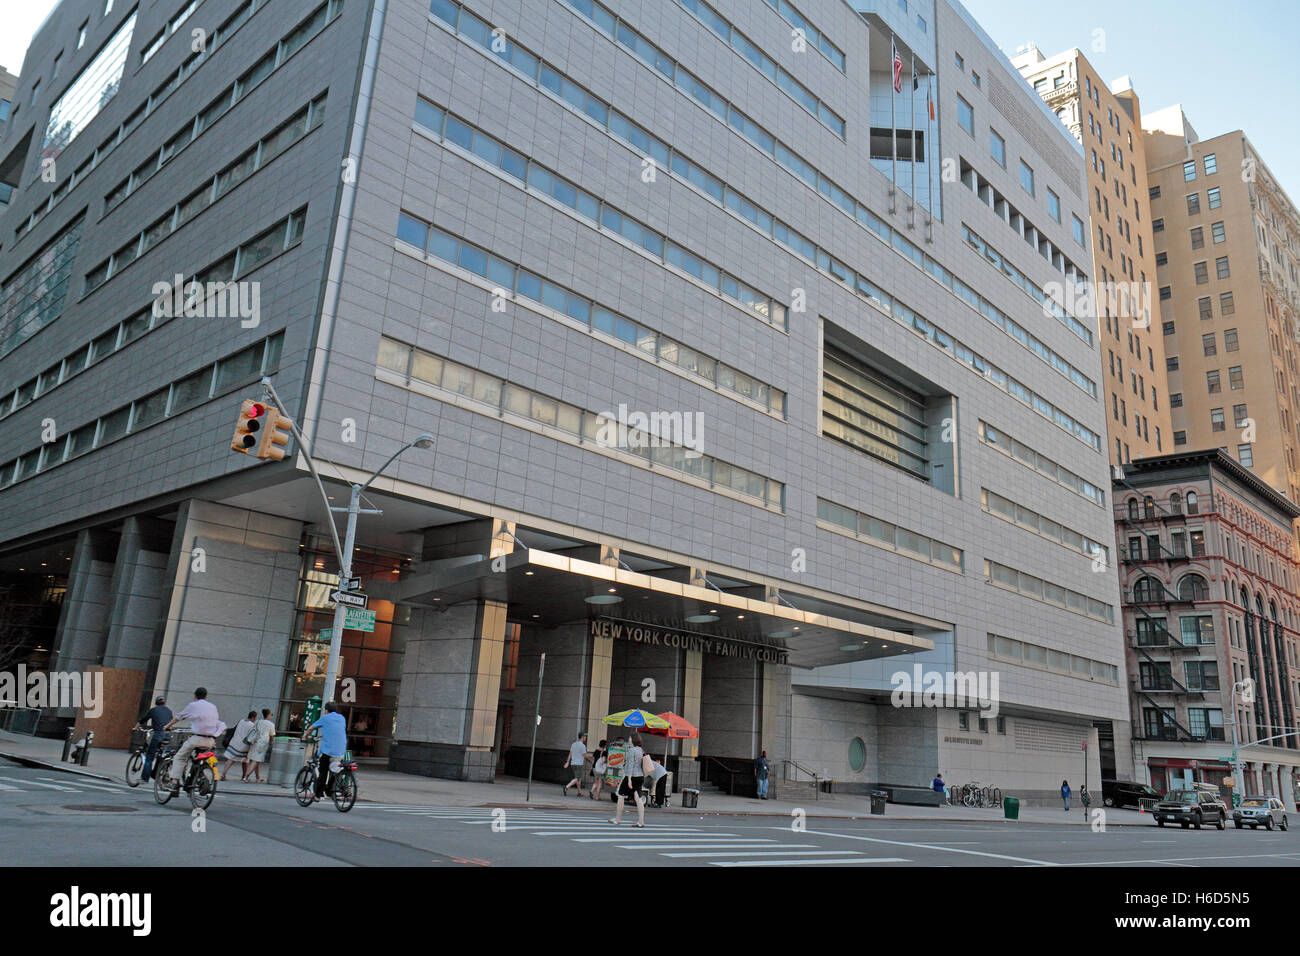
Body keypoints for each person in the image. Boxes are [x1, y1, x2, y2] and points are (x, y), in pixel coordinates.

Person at [163, 688, 226, 792]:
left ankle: (173, 782)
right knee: (199, 758)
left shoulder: (193, 705)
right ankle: (198, 776)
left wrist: (167, 726)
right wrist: (215, 735)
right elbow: (221, 724)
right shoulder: (212, 707)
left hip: (197, 739)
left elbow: (178, 717)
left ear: (195, 696)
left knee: (180, 757)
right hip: (210, 741)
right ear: (206, 696)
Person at [303, 701, 347, 802]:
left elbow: (311, 728)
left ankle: (318, 795)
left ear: (326, 710)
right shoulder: (342, 718)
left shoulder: (325, 718)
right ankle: (330, 790)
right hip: (341, 749)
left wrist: (305, 735)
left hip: (329, 749)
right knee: (335, 770)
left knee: (323, 771)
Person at [610, 733, 646, 827]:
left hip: (631, 776)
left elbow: (630, 765)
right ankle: (641, 821)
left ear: (633, 740)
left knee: (621, 796)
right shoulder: (640, 750)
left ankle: (617, 819)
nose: (629, 739)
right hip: (640, 776)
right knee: (638, 798)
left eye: (630, 738)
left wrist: (629, 779)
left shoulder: (632, 750)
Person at [134, 696, 172, 783]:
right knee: (161, 755)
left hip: (158, 734)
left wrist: (135, 728)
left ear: (156, 703)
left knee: (149, 757)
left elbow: (143, 720)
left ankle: (144, 778)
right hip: (167, 736)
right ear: (164, 703)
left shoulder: (153, 710)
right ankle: (156, 774)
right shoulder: (169, 711)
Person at [220, 711, 257, 782]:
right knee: (245, 761)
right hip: (244, 746)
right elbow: (251, 736)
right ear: (253, 717)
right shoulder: (252, 725)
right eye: (255, 718)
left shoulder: (241, 721)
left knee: (231, 759)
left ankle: (223, 774)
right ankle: (244, 777)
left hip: (235, 743)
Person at [245, 708, 276, 783]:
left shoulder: (258, 721)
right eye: (271, 714)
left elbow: (253, 730)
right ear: (268, 715)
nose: (271, 716)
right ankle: (246, 776)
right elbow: (272, 735)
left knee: (256, 760)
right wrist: (271, 743)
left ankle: (257, 777)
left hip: (254, 742)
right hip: (262, 744)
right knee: (255, 761)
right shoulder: (271, 724)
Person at [562, 732, 588, 796]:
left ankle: (579, 792)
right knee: (577, 778)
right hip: (579, 764)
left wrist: (567, 762)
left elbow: (570, 754)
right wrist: (591, 761)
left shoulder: (573, 744)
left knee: (578, 778)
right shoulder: (583, 746)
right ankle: (566, 787)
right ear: (582, 737)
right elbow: (585, 756)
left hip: (573, 763)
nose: (586, 738)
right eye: (585, 736)